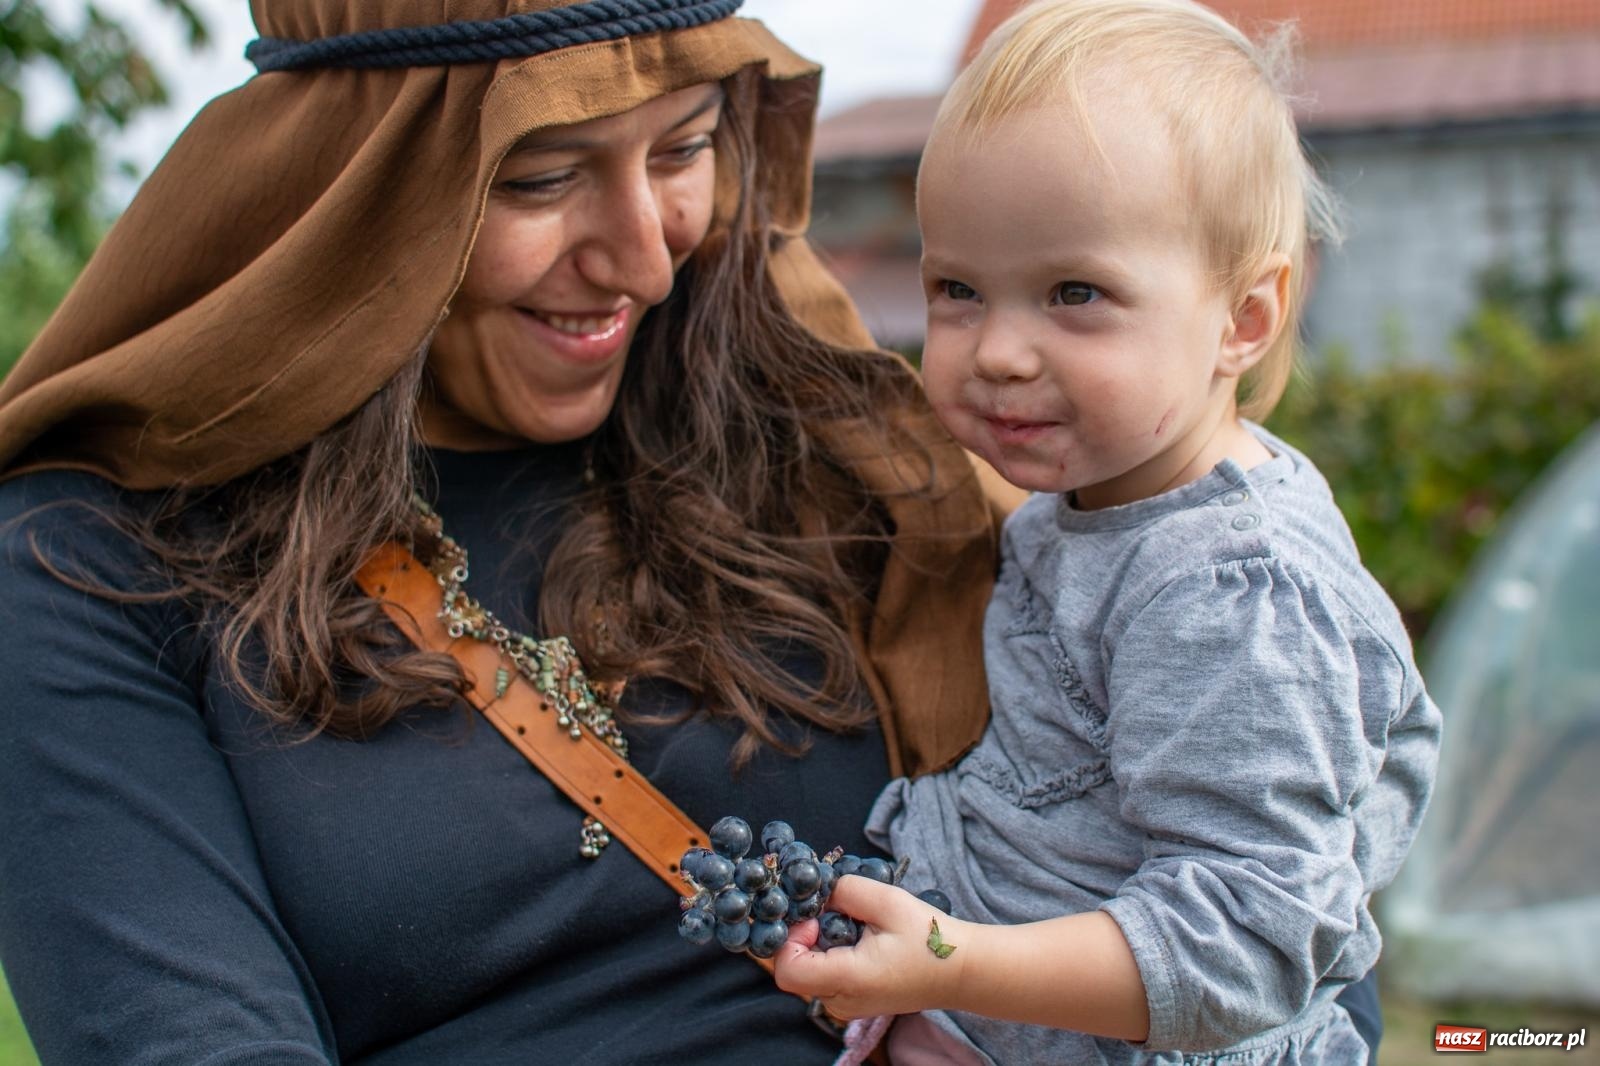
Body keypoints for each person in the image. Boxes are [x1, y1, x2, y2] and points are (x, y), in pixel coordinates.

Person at [0, 2, 1004, 1063]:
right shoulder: (89, 562)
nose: (644, 263)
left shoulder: (816, 455)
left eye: (686, 147)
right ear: (356, 189)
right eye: (542, 176)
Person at [772, 1, 1444, 1063]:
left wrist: (949, 959)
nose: (995, 351)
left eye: (1073, 292)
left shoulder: (1227, 595)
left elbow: (1246, 941)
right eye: (956, 289)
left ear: (1245, 317)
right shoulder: (1094, 504)